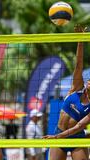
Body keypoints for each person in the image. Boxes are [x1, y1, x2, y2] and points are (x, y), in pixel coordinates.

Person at [44, 25, 90, 160]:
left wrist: (57, 137)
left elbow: (79, 126)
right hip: (60, 132)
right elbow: (79, 64)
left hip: (76, 138)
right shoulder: (76, 88)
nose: (89, 81)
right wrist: (80, 40)